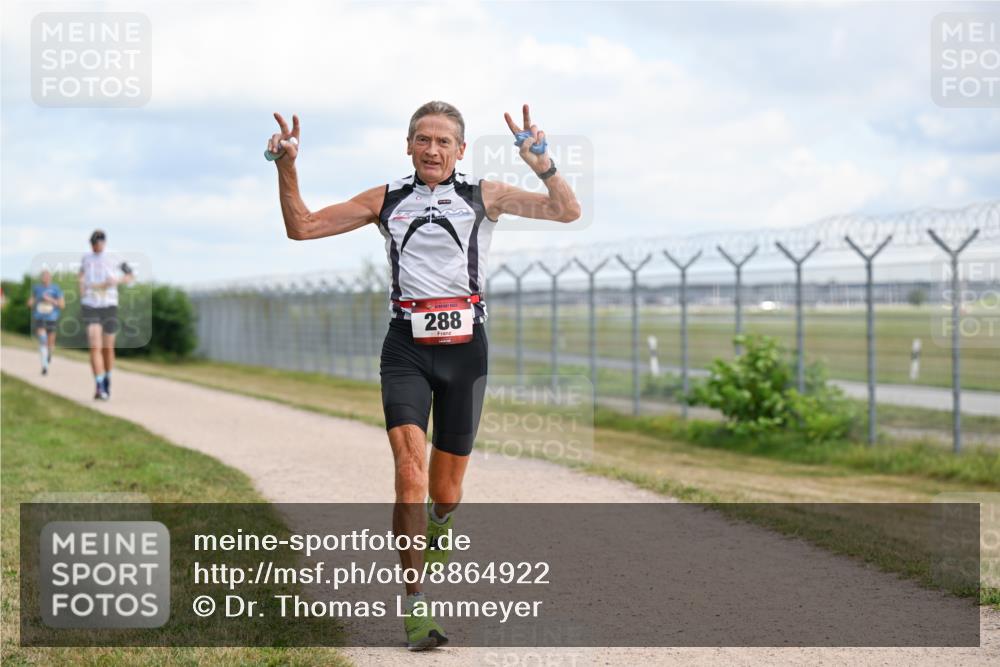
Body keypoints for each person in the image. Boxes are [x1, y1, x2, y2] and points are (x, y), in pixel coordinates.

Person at [268, 101, 580, 650]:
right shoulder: (386, 199)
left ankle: (439, 522)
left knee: (446, 491)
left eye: (443, 142)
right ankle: (415, 605)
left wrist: (542, 163)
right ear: (408, 146)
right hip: (405, 348)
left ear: (460, 151)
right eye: (422, 140)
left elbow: (566, 212)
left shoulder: (483, 195)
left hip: (466, 353)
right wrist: (286, 166)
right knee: (408, 470)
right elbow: (303, 227)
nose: (432, 150)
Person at [79, 230, 133, 400]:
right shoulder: (86, 258)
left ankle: (107, 377)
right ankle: (99, 385)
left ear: (104, 242)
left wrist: (115, 281)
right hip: (91, 304)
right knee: (95, 346)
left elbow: (130, 276)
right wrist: (81, 289)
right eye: (93, 244)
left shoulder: (114, 257)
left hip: (109, 304)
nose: (96, 247)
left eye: (99, 243)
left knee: (107, 348)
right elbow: (80, 275)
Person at [27, 269, 65, 375]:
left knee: (50, 343)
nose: (45, 278)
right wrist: (31, 303)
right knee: (43, 340)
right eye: (43, 276)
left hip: (52, 318)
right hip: (39, 317)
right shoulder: (37, 289)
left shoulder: (56, 289)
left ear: (50, 278)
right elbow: (31, 302)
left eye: (47, 276)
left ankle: (49, 355)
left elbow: (62, 305)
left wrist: (51, 300)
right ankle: (44, 366)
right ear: (41, 278)